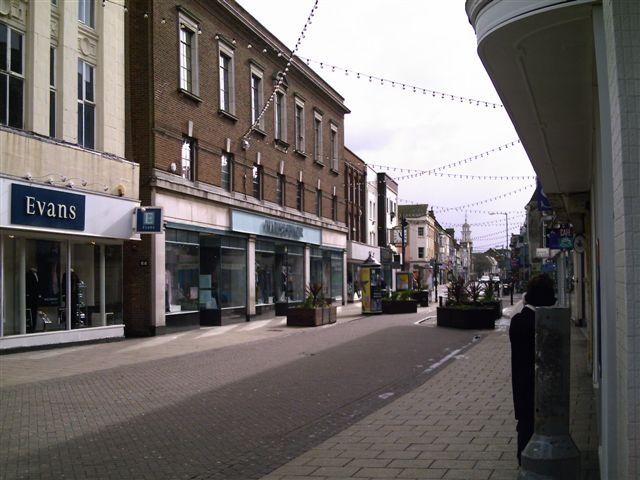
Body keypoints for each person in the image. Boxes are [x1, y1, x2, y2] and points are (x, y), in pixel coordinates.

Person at [509, 273, 556, 465]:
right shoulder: (536, 323)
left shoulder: (519, 319)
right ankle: (528, 461)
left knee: (525, 422)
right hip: (533, 382)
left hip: (521, 381)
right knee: (530, 424)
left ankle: (524, 459)